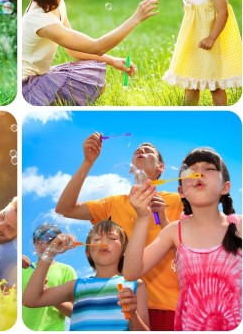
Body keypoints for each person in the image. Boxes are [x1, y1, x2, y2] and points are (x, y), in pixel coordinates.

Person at [55, 133, 183, 331]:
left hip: (169, 306)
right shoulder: (113, 203)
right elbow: (65, 208)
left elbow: (192, 249)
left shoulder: (177, 201)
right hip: (121, 306)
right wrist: (88, 161)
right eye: (137, 150)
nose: (141, 150)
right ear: (131, 167)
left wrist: (164, 219)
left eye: (149, 151)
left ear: (161, 168)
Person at [22, 0, 159, 106]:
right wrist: (135, 18)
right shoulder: (41, 20)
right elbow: (96, 46)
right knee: (90, 82)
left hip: (39, 76)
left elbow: (73, 49)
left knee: (93, 78)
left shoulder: (55, 1)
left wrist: (111, 60)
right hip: (27, 88)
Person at [123, 147, 242, 331]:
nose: (198, 173)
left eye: (209, 169)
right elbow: (131, 272)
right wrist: (143, 217)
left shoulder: (239, 226)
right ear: (181, 191)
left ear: (225, 187)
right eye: (190, 170)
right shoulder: (174, 231)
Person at [23, 220, 150, 331]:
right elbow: (30, 300)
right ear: (88, 251)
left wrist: (134, 316)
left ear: (124, 250)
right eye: (96, 239)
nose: (103, 242)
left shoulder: (135, 285)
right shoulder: (77, 286)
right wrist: (50, 252)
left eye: (112, 238)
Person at [162, 0, 242, 106]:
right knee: (190, 83)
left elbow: (223, 13)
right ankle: (191, 112)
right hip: (192, 42)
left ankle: (219, 114)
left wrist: (212, 37)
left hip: (209, 42)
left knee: (215, 85)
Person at [22, 223, 77, 331]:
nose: (43, 246)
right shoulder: (22, 269)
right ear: (34, 244)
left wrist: (49, 294)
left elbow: (75, 312)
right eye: (39, 242)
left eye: (49, 242)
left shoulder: (66, 270)